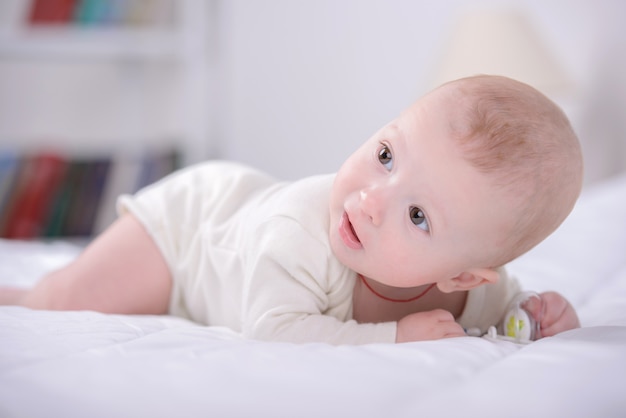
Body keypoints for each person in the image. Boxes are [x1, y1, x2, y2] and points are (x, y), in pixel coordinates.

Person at [0, 75, 583, 345]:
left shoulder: (479, 289)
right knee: (59, 300)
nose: (371, 201)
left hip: (223, 237)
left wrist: (540, 316)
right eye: (385, 155)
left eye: (418, 216)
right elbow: (275, 331)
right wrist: (394, 338)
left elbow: (507, 308)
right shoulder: (301, 230)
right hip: (191, 234)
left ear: (462, 276)